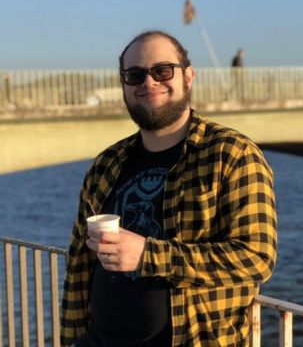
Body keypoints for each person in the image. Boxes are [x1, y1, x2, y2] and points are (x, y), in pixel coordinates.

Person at [61, 31, 277, 346]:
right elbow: (79, 268)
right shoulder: (105, 164)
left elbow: (255, 257)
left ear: (188, 77)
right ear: (124, 84)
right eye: (134, 75)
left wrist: (148, 255)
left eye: (163, 70)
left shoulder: (230, 154)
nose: (148, 82)